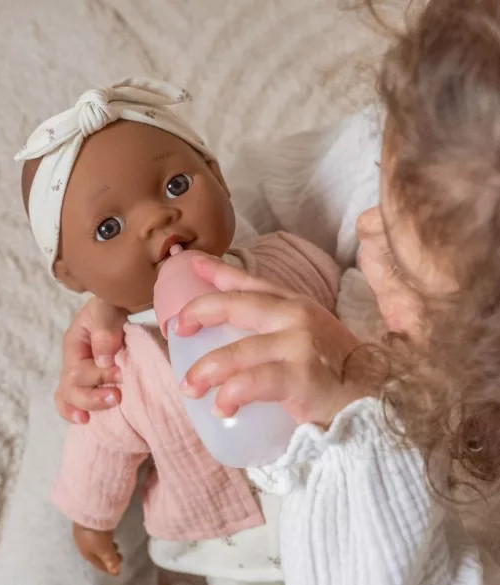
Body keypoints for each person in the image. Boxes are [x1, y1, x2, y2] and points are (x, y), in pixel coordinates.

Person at [57, 1, 500, 583]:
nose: (366, 229)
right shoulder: (442, 133)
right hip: (195, 517)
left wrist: (356, 425)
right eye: (381, 188)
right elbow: (265, 187)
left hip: (345, 539)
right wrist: (127, 294)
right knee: (75, 407)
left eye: (398, 261)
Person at [15, 77, 344, 585]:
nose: (157, 218)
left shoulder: (286, 262)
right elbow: (99, 450)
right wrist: (90, 520)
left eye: (175, 186)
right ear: (71, 275)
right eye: (109, 228)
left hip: (328, 502)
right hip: (213, 543)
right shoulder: (117, 365)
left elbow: (349, 308)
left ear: (218, 177)